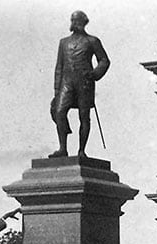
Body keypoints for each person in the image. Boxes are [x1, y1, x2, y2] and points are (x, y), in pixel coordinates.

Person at [49, 10, 110, 159]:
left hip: (84, 82)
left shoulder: (92, 41)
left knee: (84, 116)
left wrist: (95, 74)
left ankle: (81, 150)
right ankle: (62, 148)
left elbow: (104, 60)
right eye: (73, 20)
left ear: (83, 23)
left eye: (78, 21)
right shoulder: (63, 42)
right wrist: (57, 90)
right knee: (59, 111)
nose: (75, 23)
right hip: (67, 83)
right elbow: (59, 67)